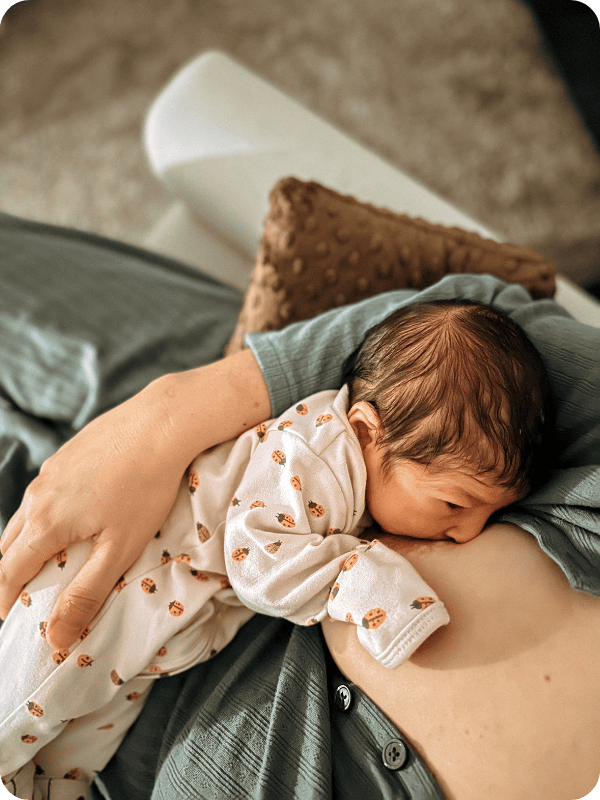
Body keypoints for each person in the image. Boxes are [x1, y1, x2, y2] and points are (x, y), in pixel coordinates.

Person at [0, 211, 598, 800]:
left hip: (150, 676)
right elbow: (482, 315)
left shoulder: (406, 465)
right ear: (366, 433)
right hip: (136, 559)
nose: (471, 534)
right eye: (454, 504)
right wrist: (173, 412)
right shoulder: (318, 456)